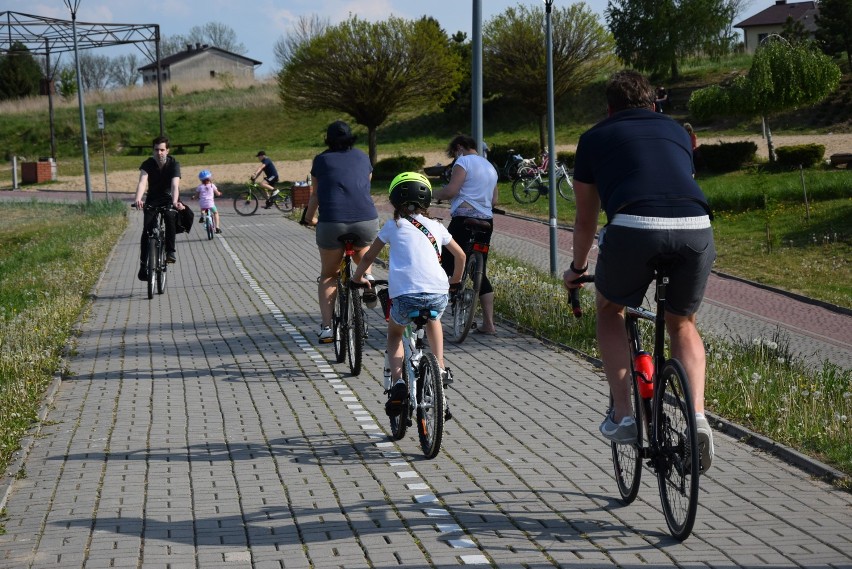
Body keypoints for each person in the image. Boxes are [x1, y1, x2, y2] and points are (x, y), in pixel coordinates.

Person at [562, 70, 716, 471]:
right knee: (681, 323)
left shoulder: (594, 137)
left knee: (610, 310)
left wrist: (577, 269)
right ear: (653, 105)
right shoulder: (678, 132)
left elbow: (585, 220)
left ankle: (624, 416)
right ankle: (697, 415)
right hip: (696, 225)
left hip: (633, 226)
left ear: (609, 109)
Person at [352, 172, 465, 415]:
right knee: (433, 318)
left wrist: (357, 277)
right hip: (437, 291)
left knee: (395, 334)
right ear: (427, 200)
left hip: (404, 295)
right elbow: (460, 256)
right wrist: (454, 282)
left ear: (394, 200)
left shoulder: (393, 225)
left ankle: (399, 382)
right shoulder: (436, 225)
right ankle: (441, 366)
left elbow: (370, 256)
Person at [303, 120, 379, 342]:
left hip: (332, 222)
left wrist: (309, 218)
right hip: (366, 218)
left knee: (329, 275)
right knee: (362, 250)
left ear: (328, 139)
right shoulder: (363, 157)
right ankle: (367, 277)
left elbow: (316, 195)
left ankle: (327, 329)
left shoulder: (321, 160)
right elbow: (364, 185)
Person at [433, 134, 499, 335]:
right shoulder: (490, 166)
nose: (454, 158)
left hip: (464, 218)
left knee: (446, 261)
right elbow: (494, 200)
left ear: (459, 147)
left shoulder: (463, 162)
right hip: (486, 222)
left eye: (454, 154)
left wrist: (433, 193)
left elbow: (451, 191)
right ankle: (489, 324)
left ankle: (433, 315)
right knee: (479, 271)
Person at [134, 136, 185, 281]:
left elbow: (175, 185)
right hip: (152, 199)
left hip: (169, 198)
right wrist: (138, 199)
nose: (159, 153)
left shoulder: (174, 164)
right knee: (147, 231)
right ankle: (144, 265)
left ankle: (170, 251)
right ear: (153, 150)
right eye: (156, 150)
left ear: (167, 150)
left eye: (162, 150)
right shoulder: (148, 164)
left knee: (170, 217)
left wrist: (175, 201)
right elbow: (142, 182)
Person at [192, 169, 223, 234]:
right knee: (215, 213)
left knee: (202, 206)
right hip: (211, 204)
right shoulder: (212, 185)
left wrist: (193, 197)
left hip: (203, 204)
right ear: (209, 178)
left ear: (201, 179)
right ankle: (217, 227)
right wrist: (219, 193)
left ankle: (202, 216)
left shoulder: (200, 187)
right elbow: (217, 193)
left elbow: (196, 196)